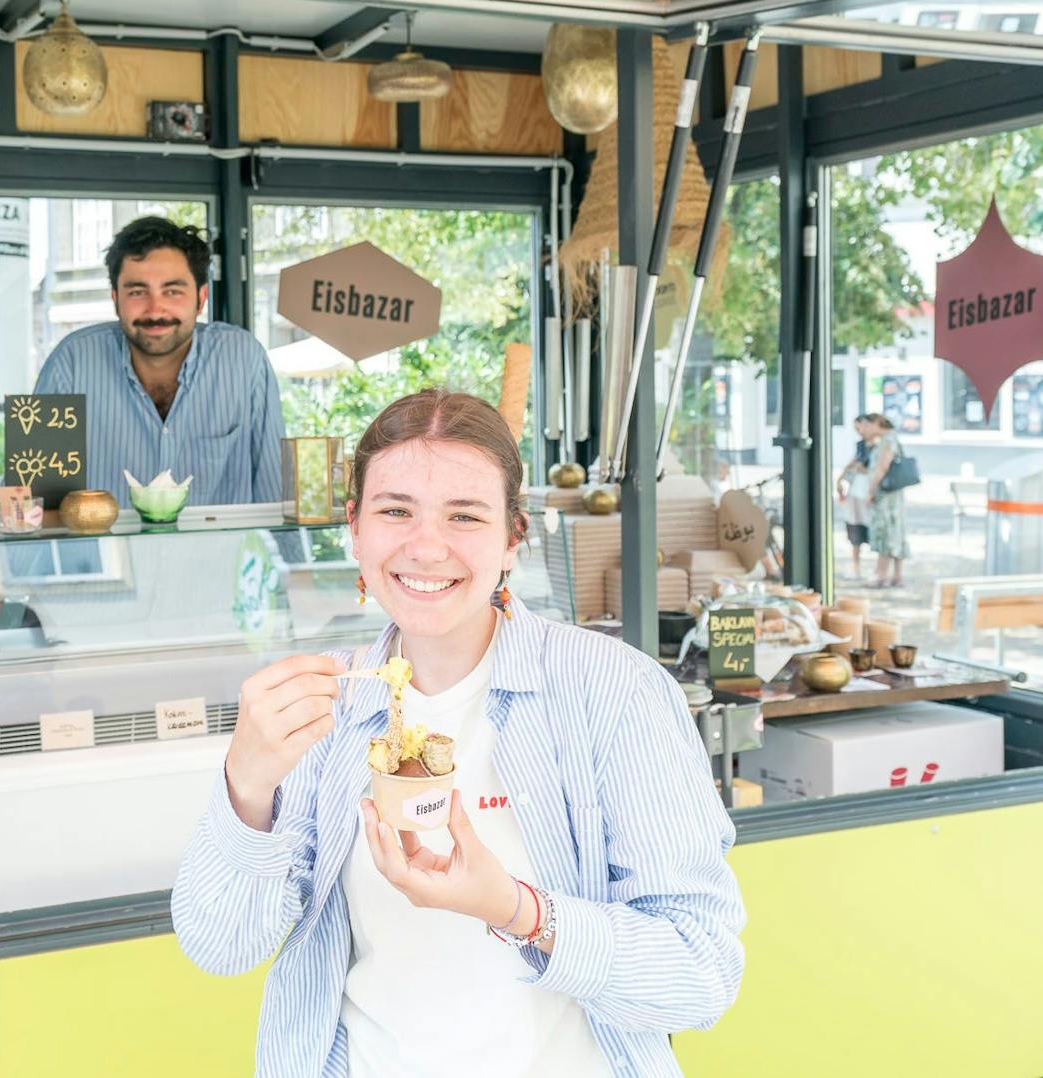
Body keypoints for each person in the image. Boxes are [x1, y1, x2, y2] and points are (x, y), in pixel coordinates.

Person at [173, 389, 745, 1077]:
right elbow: (221, 946)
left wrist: (515, 909)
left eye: (465, 516)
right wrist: (247, 783)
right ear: (355, 529)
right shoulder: (327, 705)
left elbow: (701, 974)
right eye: (394, 511)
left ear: (512, 538)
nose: (426, 547)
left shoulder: (613, 691)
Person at [33, 216, 283, 507]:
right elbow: (31, 503)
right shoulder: (70, 361)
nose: (155, 309)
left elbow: (275, 491)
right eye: (137, 292)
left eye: (172, 291)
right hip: (102, 554)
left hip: (219, 554)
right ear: (115, 298)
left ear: (201, 298)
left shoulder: (244, 359)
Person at [864, 412, 909, 589]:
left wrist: (871, 490)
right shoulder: (890, 439)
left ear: (877, 423)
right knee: (896, 531)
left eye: (868, 425)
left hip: (886, 495)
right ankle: (896, 576)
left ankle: (881, 574)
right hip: (893, 495)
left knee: (885, 532)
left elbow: (882, 467)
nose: (866, 429)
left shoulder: (887, 440)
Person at [835, 415, 875, 579]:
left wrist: (862, 469)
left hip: (869, 493)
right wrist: (840, 479)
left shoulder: (880, 447)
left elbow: (877, 471)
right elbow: (852, 463)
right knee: (854, 528)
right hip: (856, 492)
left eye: (860, 427)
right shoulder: (861, 446)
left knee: (871, 528)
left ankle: (879, 570)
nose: (859, 432)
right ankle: (855, 566)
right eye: (856, 429)